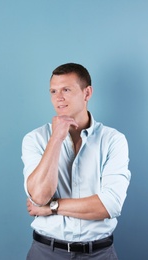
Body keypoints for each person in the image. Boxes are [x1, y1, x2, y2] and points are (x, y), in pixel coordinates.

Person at [21, 63, 131, 259]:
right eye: (53, 91)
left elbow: (110, 205)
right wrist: (56, 138)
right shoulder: (35, 139)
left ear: (87, 93)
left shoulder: (113, 140)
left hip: (99, 254)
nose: (58, 98)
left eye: (66, 90)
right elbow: (38, 196)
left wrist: (51, 207)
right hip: (46, 252)